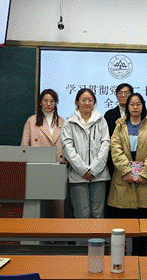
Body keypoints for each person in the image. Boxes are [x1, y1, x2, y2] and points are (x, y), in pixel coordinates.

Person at [107, 93, 147, 218]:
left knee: (145, 220)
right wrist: (126, 171)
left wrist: (144, 174)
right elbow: (115, 149)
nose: (135, 107)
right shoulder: (120, 126)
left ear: (142, 106)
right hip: (123, 177)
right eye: (132, 104)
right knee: (125, 221)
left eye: (138, 104)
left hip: (145, 180)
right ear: (127, 107)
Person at [61, 88, 111, 218]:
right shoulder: (69, 122)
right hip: (78, 176)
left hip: (99, 176)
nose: (87, 103)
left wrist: (94, 170)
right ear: (77, 102)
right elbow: (67, 148)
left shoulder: (101, 121)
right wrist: (83, 170)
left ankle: (97, 235)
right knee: (82, 214)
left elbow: (106, 145)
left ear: (94, 102)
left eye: (90, 100)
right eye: (83, 100)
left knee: (97, 214)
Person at [21, 88, 66, 217]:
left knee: (58, 208)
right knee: (37, 207)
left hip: (57, 168)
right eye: (45, 100)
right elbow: (24, 146)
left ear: (56, 103)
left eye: (52, 101)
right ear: (40, 102)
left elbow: (68, 146)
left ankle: (57, 230)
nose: (48, 104)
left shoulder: (62, 122)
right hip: (36, 168)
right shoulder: (32, 121)